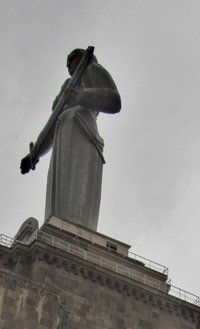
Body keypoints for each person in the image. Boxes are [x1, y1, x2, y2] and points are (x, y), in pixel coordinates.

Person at [20, 49, 121, 231]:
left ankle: (77, 233)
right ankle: (58, 231)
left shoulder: (92, 70)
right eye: (66, 63)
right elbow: (50, 128)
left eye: (71, 60)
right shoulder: (67, 85)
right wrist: (35, 154)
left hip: (82, 132)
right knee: (59, 193)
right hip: (62, 138)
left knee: (78, 189)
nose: (68, 65)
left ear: (81, 58)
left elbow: (114, 101)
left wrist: (82, 96)